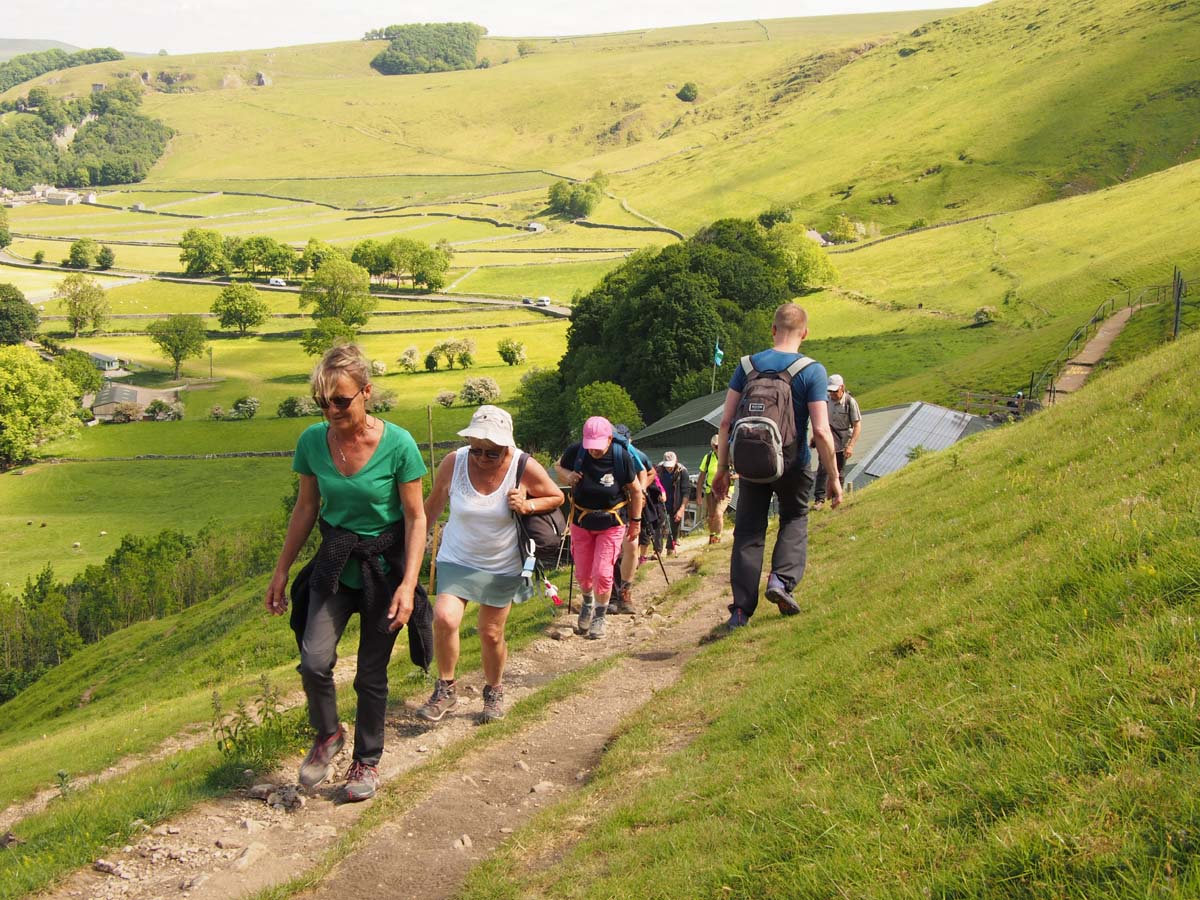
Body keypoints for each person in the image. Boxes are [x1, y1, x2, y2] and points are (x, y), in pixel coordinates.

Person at [266, 344, 429, 802]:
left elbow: (416, 517)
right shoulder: (311, 442)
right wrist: (281, 571)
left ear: (366, 393)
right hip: (336, 564)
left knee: (370, 675)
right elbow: (306, 507)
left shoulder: (399, 444)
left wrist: (409, 586)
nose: (332, 411)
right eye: (323, 402)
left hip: (385, 567)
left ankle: (366, 762)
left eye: (340, 400)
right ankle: (329, 733)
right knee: (314, 660)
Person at [416, 405, 564, 724]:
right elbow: (430, 509)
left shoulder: (522, 464)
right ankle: (445, 688)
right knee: (444, 618)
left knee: (491, 633)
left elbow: (556, 497)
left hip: (501, 563)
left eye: (491, 452)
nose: (482, 458)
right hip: (456, 556)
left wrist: (527, 505)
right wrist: (410, 551)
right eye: (476, 450)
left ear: (506, 446)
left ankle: (494, 690)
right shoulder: (454, 462)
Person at [713, 303, 840, 630]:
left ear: (772, 330)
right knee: (794, 517)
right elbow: (821, 430)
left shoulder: (747, 366)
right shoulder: (812, 371)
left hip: (751, 464)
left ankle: (740, 611)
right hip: (794, 464)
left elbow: (726, 422)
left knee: (748, 531)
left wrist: (723, 468)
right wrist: (833, 477)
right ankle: (780, 581)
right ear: (805, 333)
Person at [555, 416, 645, 639]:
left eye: (598, 445)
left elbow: (636, 491)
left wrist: (636, 522)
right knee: (583, 573)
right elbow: (558, 467)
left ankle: (599, 615)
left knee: (603, 572)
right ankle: (587, 602)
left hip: (612, 523)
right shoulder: (576, 452)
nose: (594, 450)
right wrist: (568, 476)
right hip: (581, 522)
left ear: (610, 439)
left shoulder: (621, 456)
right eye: (590, 445)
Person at [612, 423, 655, 615]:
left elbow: (648, 471)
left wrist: (641, 490)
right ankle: (612, 594)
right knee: (613, 550)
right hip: (610, 505)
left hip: (630, 505)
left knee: (630, 547)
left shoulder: (633, 452)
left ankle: (624, 592)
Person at [812, 374, 861, 508]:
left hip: (843, 441)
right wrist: (815, 437)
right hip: (827, 439)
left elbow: (857, 425)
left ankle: (835, 499)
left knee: (839, 471)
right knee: (822, 469)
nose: (832, 394)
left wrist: (851, 446)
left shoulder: (850, 402)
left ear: (842, 387)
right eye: (830, 391)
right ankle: (819, 500)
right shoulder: (825, 400)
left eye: (835, 391)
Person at [697, 434, 734, 544]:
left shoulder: (730, 456)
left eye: (720, 445)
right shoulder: (708, 458)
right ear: (712, 446)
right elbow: (701, 477)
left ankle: (717, 537)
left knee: (718, 513)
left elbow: (740, 472)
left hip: (726, 490)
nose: (718, 448)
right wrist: (699, 495)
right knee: (711, 516)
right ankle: (712, 536)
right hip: (710, 491)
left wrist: (733, 476)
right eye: (716, 446)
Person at [655, 451, 690, 556]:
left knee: (674, 526)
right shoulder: (659, 469)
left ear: (676, 462)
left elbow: (686, 492)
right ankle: (657, 551)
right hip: (661, 502)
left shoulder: (682, 471)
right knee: (658, 524)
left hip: (676, 503)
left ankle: (670, 549)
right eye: (667, 466)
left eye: (671, 466)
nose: (669, 468)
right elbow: (654, 484)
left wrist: (681, 509)